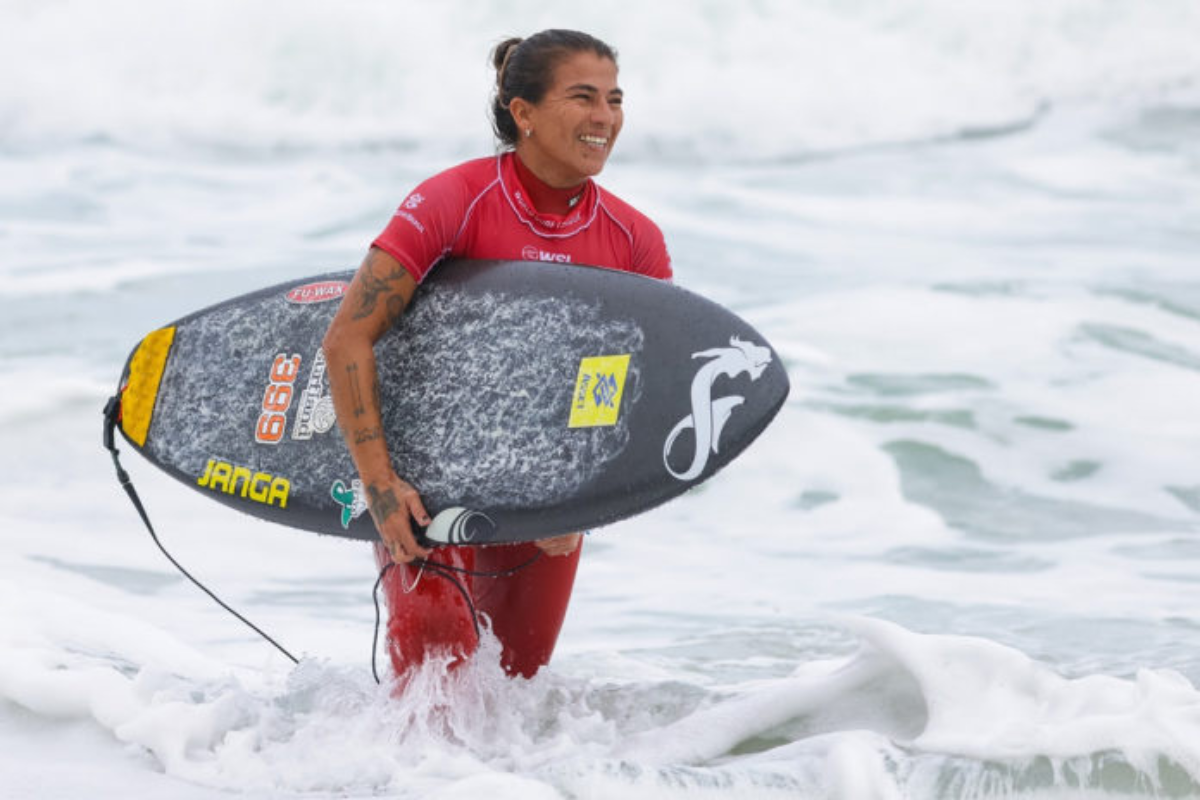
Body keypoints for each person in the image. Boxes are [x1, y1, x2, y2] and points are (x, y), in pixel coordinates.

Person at [322, 29, 672, 679]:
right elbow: (348, 336)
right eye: (583, 97)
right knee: (434, 679)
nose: (605, 117)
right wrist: (380, 484)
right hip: (424, 481)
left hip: (546, 497)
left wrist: (582, 499)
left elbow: (619, 382)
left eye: (615, 99)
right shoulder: (453, 202)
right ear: (524, 113)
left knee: (514, 690)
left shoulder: (634, 242)